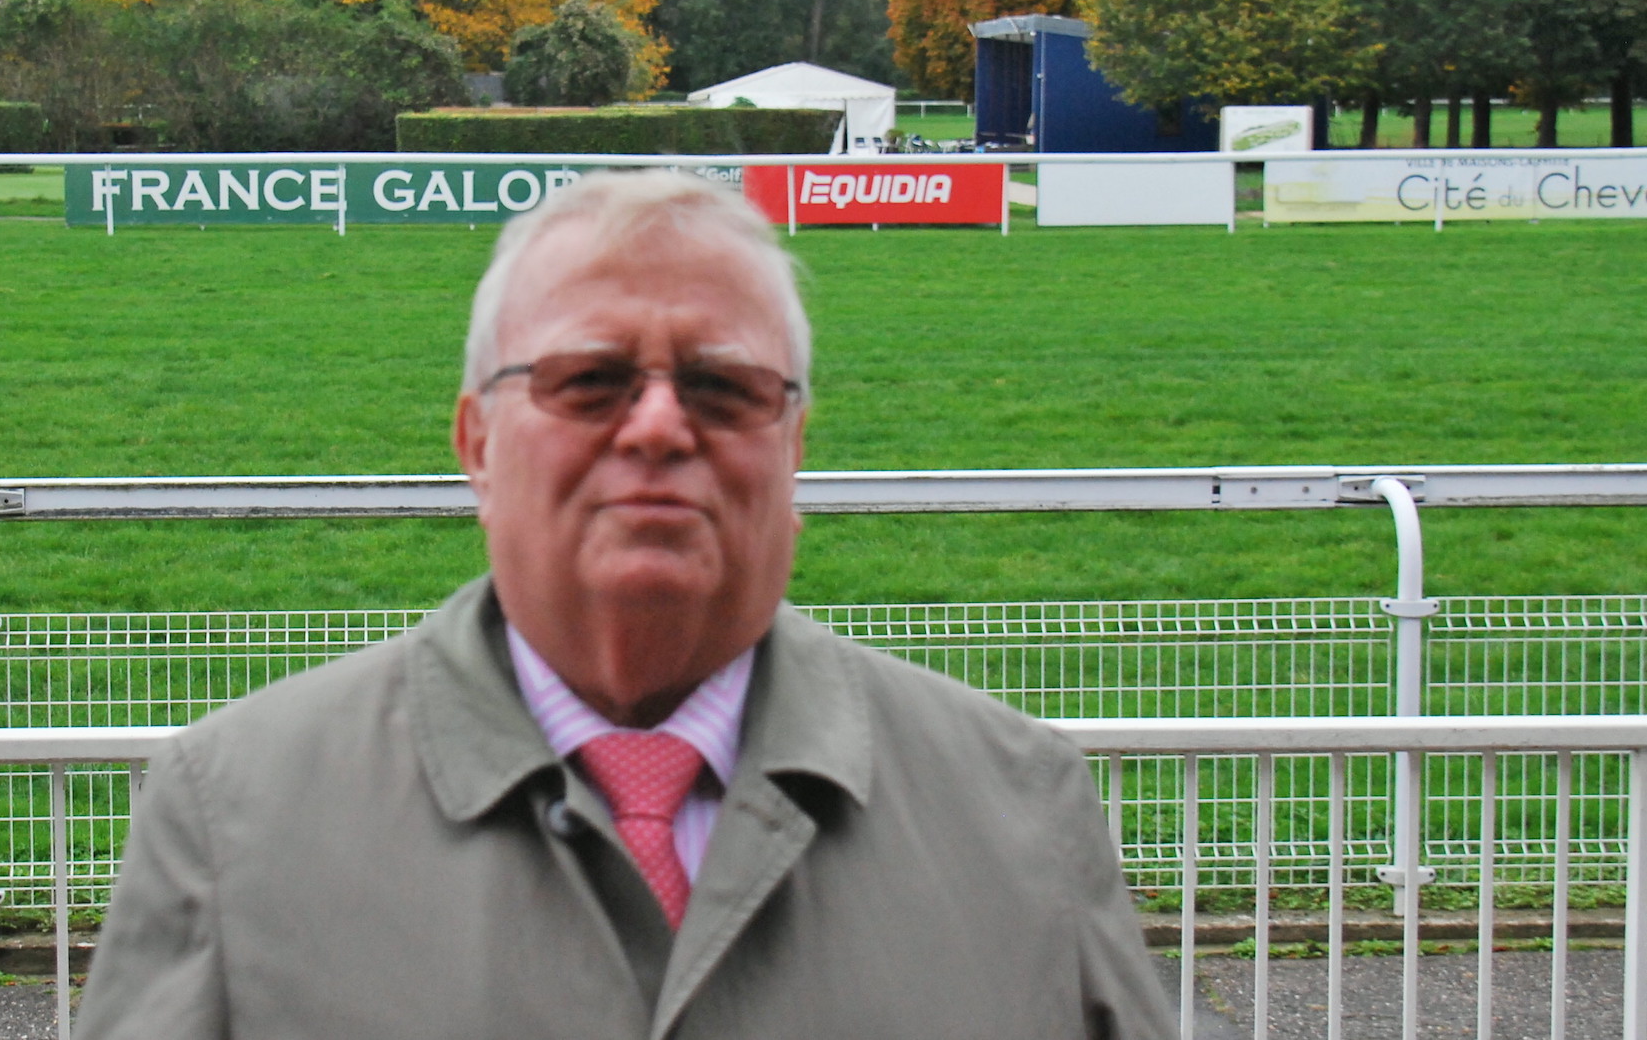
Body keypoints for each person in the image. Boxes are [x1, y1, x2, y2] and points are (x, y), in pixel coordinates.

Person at [76, 170, 1175, 1039]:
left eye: (720, 387)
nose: (656, 428)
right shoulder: (233, 815)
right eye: (589, 381)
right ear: (475, 443)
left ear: (791, 446)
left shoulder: (1019, 806)